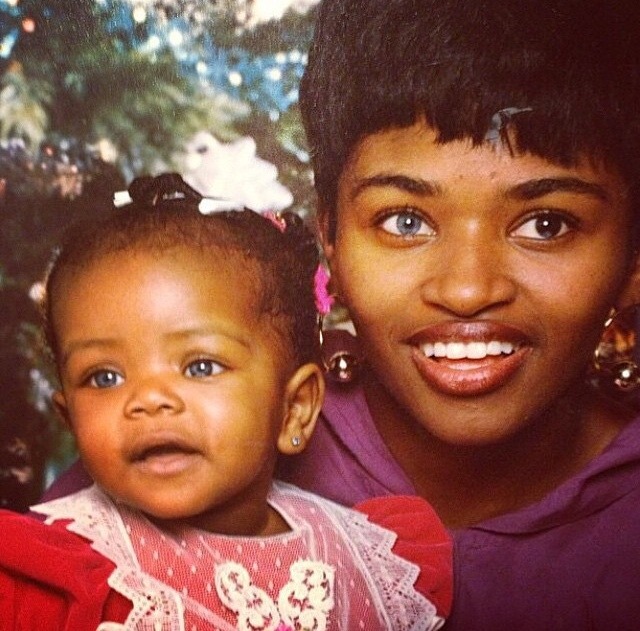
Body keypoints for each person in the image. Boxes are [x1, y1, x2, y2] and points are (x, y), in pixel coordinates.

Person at [40, 0, 640, 628]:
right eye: (404, 221)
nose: (467, 291)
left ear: (632, 259)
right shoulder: (214, 423)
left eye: (547, 225)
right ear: (330, 236)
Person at [0, 174, 452, 630]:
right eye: (104, 377)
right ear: (71, 419)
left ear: (294, 409)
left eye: (200, 367)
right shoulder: (52, 577)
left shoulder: (377, 562)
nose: (148, 398)